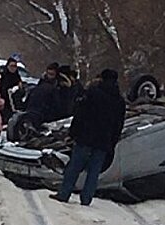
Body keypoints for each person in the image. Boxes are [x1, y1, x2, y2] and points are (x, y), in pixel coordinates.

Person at [49, 69, 126, 206]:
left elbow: (80, 114)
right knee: (94, 171)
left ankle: (64, 193)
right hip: (103, 140)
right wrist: (112, 141)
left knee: (74, 166)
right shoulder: (119, 101)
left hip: (86, 136)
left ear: (102, 78)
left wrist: (73, 133)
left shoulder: (93, 93)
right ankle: (86, 198)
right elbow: (118, 124)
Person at [0, 57, 22, 124]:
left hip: (13, 103)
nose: (13, 68)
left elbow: (20, 89)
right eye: (11, 66)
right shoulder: (3, 75)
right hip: (3, 100)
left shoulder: (17, 76)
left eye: (15, 66)